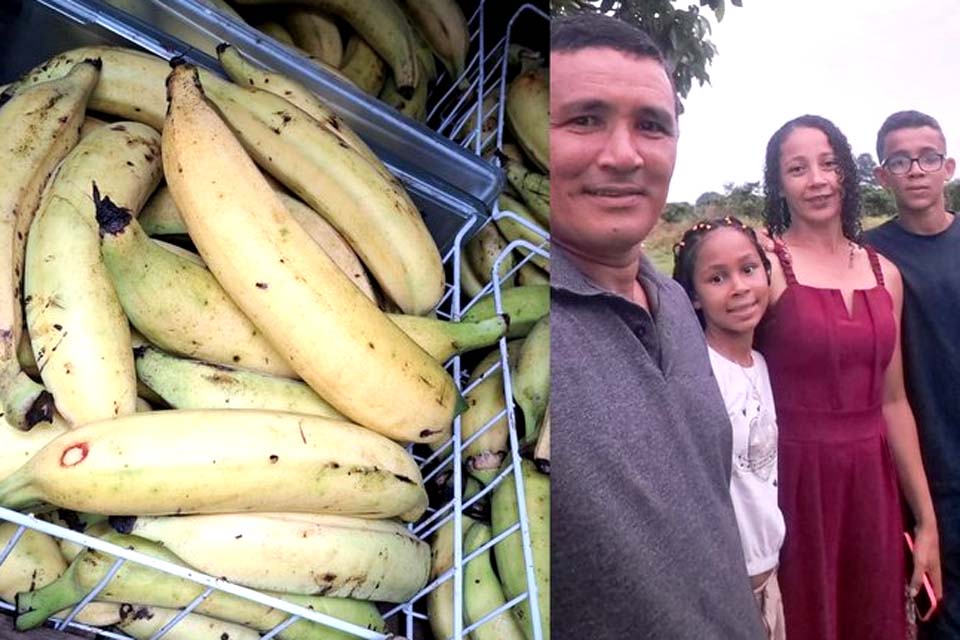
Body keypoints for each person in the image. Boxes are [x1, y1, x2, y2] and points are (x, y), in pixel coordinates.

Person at [550, 12, 764, 639]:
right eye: (585, 120)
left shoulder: (673, 300)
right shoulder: (527, 330)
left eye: (651, 125)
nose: (624, 155)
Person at [754, 114, 941, 639]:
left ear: (846, 174)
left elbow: (894, 402)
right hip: (793, 483)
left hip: (872, 484)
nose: (817, 180)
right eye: (798, 169)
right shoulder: (765, 266)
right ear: (779, 184)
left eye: (829, 164)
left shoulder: (886, 273)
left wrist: (924, 520)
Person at [864, 110, 959, 638]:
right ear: (882, 175)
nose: (916, 170)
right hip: (928, 475)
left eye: (927, 157)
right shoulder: (868, 257)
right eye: (900, 161)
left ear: (948, 166)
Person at [673, 217, 786, 639]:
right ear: (694, 296)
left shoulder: (762, 365)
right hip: (720, 590)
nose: (739, 287)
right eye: (717, 278)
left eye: (749, 269)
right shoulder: (695, 375)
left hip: (767, 577)